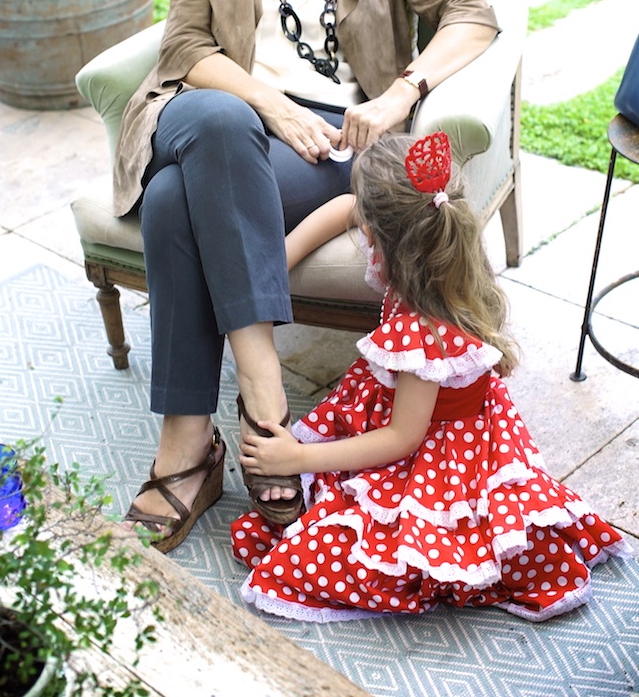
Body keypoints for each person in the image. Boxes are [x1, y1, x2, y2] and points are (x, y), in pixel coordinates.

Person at [114, 0, 499, 552]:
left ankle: (187, 448)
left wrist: (400, 94)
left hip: (329, 147)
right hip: (216, 113)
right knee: (218, 125)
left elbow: (472, 13)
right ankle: (263, 392)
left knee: (176, 199)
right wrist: (272, 104)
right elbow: (183, 48)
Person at [232, 131, 633, 622]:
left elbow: (401, 438)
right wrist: (273, 269)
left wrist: (299, 456)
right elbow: (345, 208)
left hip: (436, 453)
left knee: (309, 560)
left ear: (378, 238)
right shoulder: (438, 244)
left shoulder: (424, 332)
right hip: (437, 417)